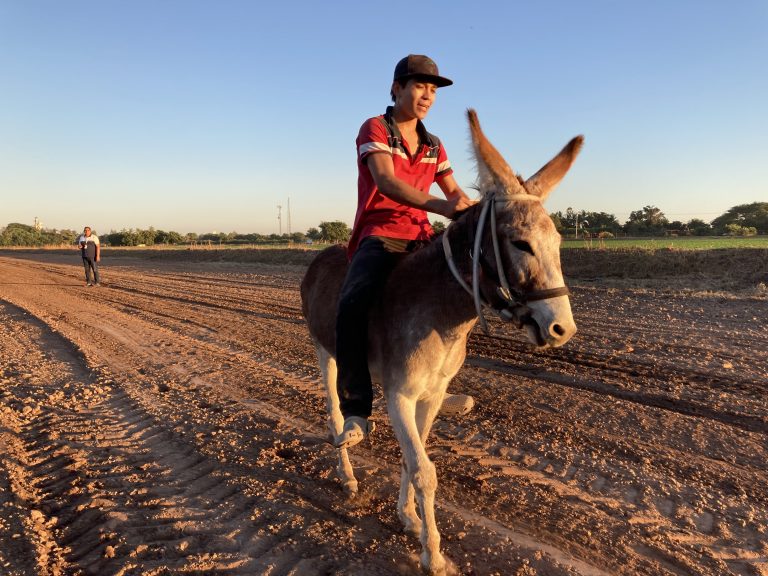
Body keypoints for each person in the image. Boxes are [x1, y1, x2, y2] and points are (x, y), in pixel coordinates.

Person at [335, 55, 476, 448]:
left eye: (433, 90)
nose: (427, 95)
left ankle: (437, 384)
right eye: (419, 86)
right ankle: (357, 409)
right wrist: (441, 207)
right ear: (397, 88)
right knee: (351, 304)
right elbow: (386, 182)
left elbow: (454, 193)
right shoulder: (376, 127)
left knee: (462, 296)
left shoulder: (434, 145)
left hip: (422, 237)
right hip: (381, 234)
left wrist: (474, 212)